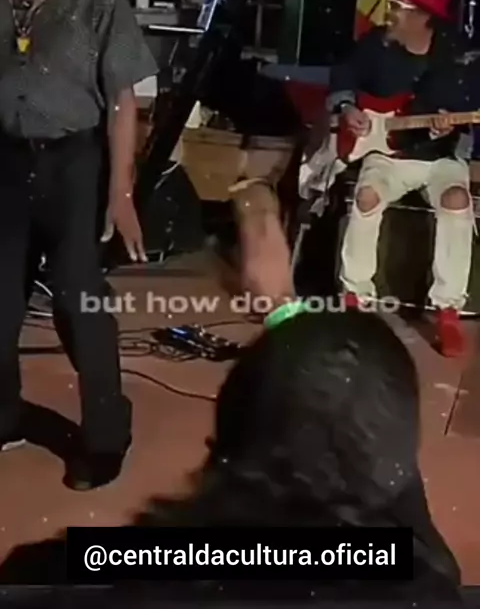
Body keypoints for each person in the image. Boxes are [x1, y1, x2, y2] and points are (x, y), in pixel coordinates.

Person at [0, 204, 461, 603]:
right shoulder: (425, 585)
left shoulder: (62, 576)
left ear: (221, 441)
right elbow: (406, 519)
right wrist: (285, 312)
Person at [0, 0, 158, 489]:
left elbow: (123, 99)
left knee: (78, 302)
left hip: (73, 165)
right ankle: (5, 416)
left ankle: (105, 437)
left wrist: (120, 192)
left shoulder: (97, 0)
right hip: (6, 163)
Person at [328, 0, 475, 358]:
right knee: (367, 197)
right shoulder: (375, 44)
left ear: (422, 15)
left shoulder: (456, 53)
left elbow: (465, 105)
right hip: (386, 155)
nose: (389, 12)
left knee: (457, 200)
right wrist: (346, 108)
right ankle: (355, 298)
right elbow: (342, 75)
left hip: (438, 156)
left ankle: (447, 311)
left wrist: (447, 123)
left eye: (397, 5)